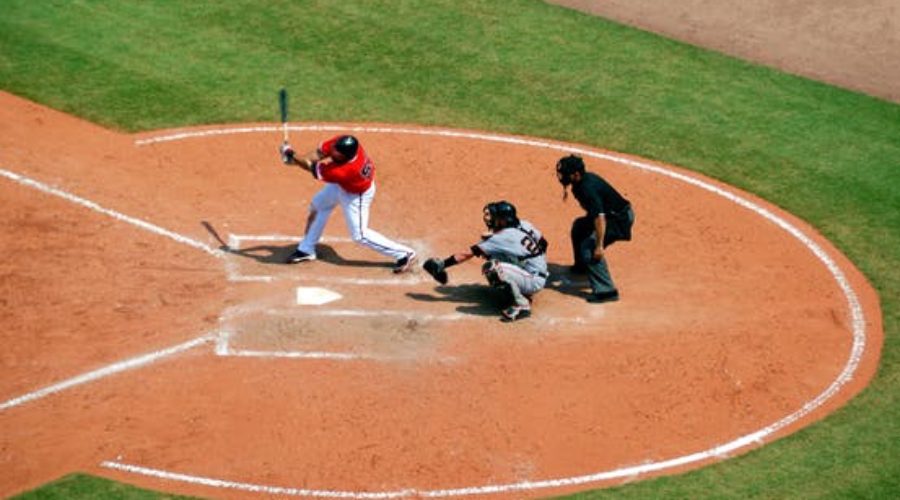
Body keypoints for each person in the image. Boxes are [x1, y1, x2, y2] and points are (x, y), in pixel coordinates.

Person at [279, 135, 416, 273]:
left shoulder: (347, 169)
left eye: (337, 153)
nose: (332, 153)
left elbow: (312, 167)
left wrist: (291, 154)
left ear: (346, 156)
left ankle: (405, 254)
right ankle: (306, 249)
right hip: (342, 185)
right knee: (319, 206)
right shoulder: (343, 143)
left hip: (356, 195)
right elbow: (317, 154)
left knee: (360, 236)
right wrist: (295, 160)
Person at [423, 201, 549, 322]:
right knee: (493, 253)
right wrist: (531, 259)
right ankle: (522, 286)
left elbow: (468, 253)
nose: (492, 219)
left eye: (496, 217)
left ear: (503, 220)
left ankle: (522, 304)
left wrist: (443, 264)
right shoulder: (524, 224)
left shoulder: (504, 237)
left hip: (533, 280)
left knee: (493, 268)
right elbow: (544, 243)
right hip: (535, 272)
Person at [555, 154, 634, 303]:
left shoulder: (587, 188)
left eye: (566, 173)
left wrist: (599, 245)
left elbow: (600, 217)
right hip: (610, 216)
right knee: (579, 227)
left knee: (589, 248)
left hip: (618, 219)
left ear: (576, 174)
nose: (562, 176)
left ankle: (606, 291)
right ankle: (582, 267)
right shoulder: (579, 184)